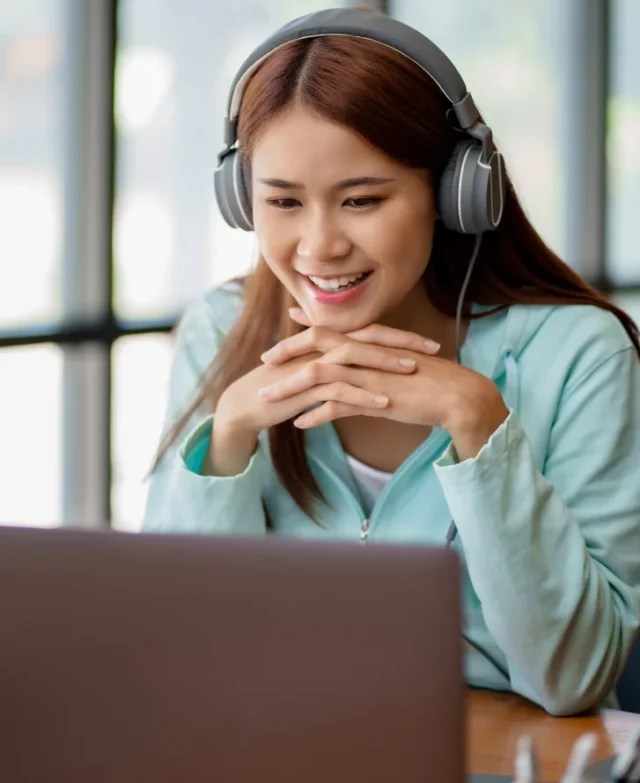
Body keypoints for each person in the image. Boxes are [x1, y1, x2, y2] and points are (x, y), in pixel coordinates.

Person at [143, 8, 640, 716]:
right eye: (283, 201)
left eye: (361, 200)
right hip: (276, 751)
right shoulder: (220, 329)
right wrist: (227, 440)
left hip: (500, 759)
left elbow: (573, 677)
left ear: (454, 193)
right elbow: (181, 657)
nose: (319, 246)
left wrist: (479, 426)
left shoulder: (579, 355)